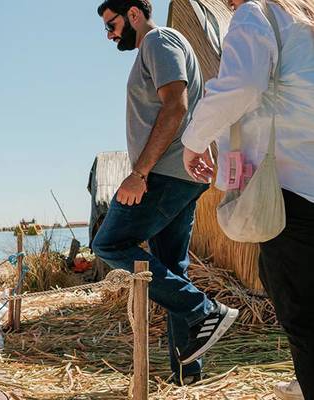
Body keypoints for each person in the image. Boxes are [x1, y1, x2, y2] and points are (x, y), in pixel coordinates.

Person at [92, 0, 239, 385]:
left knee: (109, 243)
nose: (110, 35)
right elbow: (191, 107)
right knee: (171, 268)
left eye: (112, 24)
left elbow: (177, 105)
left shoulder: (159, 40)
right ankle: (187, 375)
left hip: (163, 175)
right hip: (179, 174)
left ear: (134, 15)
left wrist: (139, 173)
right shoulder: (165, 45)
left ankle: (204, 310)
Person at [182, 0, 314, 397]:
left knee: (303, 319)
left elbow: (242, 84)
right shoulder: (304, 22)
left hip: (286, 194)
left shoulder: (257, 14)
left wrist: (194, 141)